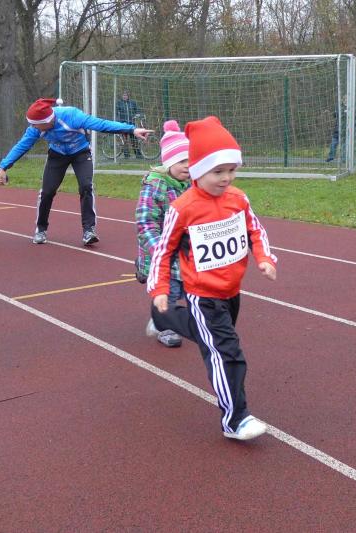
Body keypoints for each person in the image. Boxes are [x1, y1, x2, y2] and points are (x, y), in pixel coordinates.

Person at [147, 116, 278, 441]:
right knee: (225, 351)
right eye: (218, 171)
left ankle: (163, 318)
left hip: (232, 291)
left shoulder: (238, 199)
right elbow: (164, 250)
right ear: (197, 170)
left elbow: (255, 230)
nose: (226, 178)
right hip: (203, 295)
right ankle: (235, 419)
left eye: (232, 170)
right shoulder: (183, 208)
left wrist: (264, 258)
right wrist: (160, 288)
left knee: (208, 336)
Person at [0, 98, 151, 246]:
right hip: (57, 155)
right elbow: (22, 146)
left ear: (47, 121)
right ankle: (41, 229)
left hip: (80, 153)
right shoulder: (35, 129)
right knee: (47, 191)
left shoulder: (72, 116)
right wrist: (3, 167)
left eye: (35, 125)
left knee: (86, 186)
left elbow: (101, 124)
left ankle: (89, 230)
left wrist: (132, 130)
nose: (33, 128)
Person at [136, 120, 191, 348]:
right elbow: (145, 222)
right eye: (182, 161)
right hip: (163, 251)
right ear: (168, 162)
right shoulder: (155, 186)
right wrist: (160, 250)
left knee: (190, 289)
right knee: (170, 290)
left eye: (191, 160)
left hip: (187, 252)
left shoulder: (193, 185)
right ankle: (162, 324)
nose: (188, 166)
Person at [115, 90, 143, 159]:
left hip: (131, 124)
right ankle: (126, 155)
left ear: (128, 96)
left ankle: (138, 155)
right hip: (123, 125)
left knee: (134, 140)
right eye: (123, 95)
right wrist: (118, 121)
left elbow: (138, 110)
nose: (125, 97)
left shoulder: (132, 103)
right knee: (125, 140)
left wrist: (138, 115)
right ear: (122, 96)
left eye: (126, 95)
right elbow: (116, 113)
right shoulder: (119, 103)